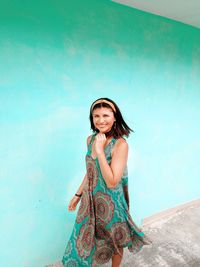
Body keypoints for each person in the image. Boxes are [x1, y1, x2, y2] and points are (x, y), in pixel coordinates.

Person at [62, 97, 152, 267]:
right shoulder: (90, 140)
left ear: (115, 117)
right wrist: (77, 194)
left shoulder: (120, 144)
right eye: (96, 116)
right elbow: (91, 172)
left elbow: (111, 181)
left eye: (105, 115)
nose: (101, 120)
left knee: (115, 240)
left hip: (112, 202)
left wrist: (100, 152)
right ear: (92, 118)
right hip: (91, 200)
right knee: (88, 241)